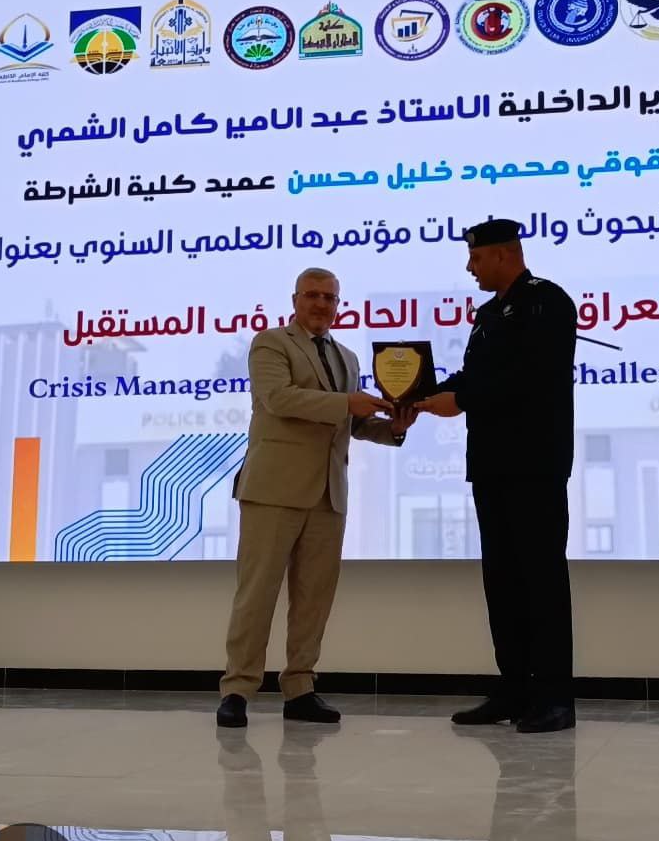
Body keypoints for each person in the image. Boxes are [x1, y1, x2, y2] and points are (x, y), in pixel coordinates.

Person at [217, 267, 413, 728]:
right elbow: (279, 399)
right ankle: (237, 690)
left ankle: (300, 688)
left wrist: (394, 428)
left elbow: (354, 424)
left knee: (314, 599)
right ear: (295, 300)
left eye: (330, 297)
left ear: (338, 305)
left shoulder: (348, 357)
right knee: (256, 595)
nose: (322, 304)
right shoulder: (270, 343)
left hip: (329, 492)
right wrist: (346, 403)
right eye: (313, 295)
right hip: (273, 489)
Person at [416, 219, 577, 733]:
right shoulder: (487, 314)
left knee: (541, 580)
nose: (470, 267)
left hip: (535, 464)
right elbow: (477, 376)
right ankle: (514, 689)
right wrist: (419, 395)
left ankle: (554, 697)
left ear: (505, 254)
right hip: (491, 464)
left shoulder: (547, 302)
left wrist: (461, 399)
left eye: (477, 257)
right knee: (502, 583)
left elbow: (531, 376)